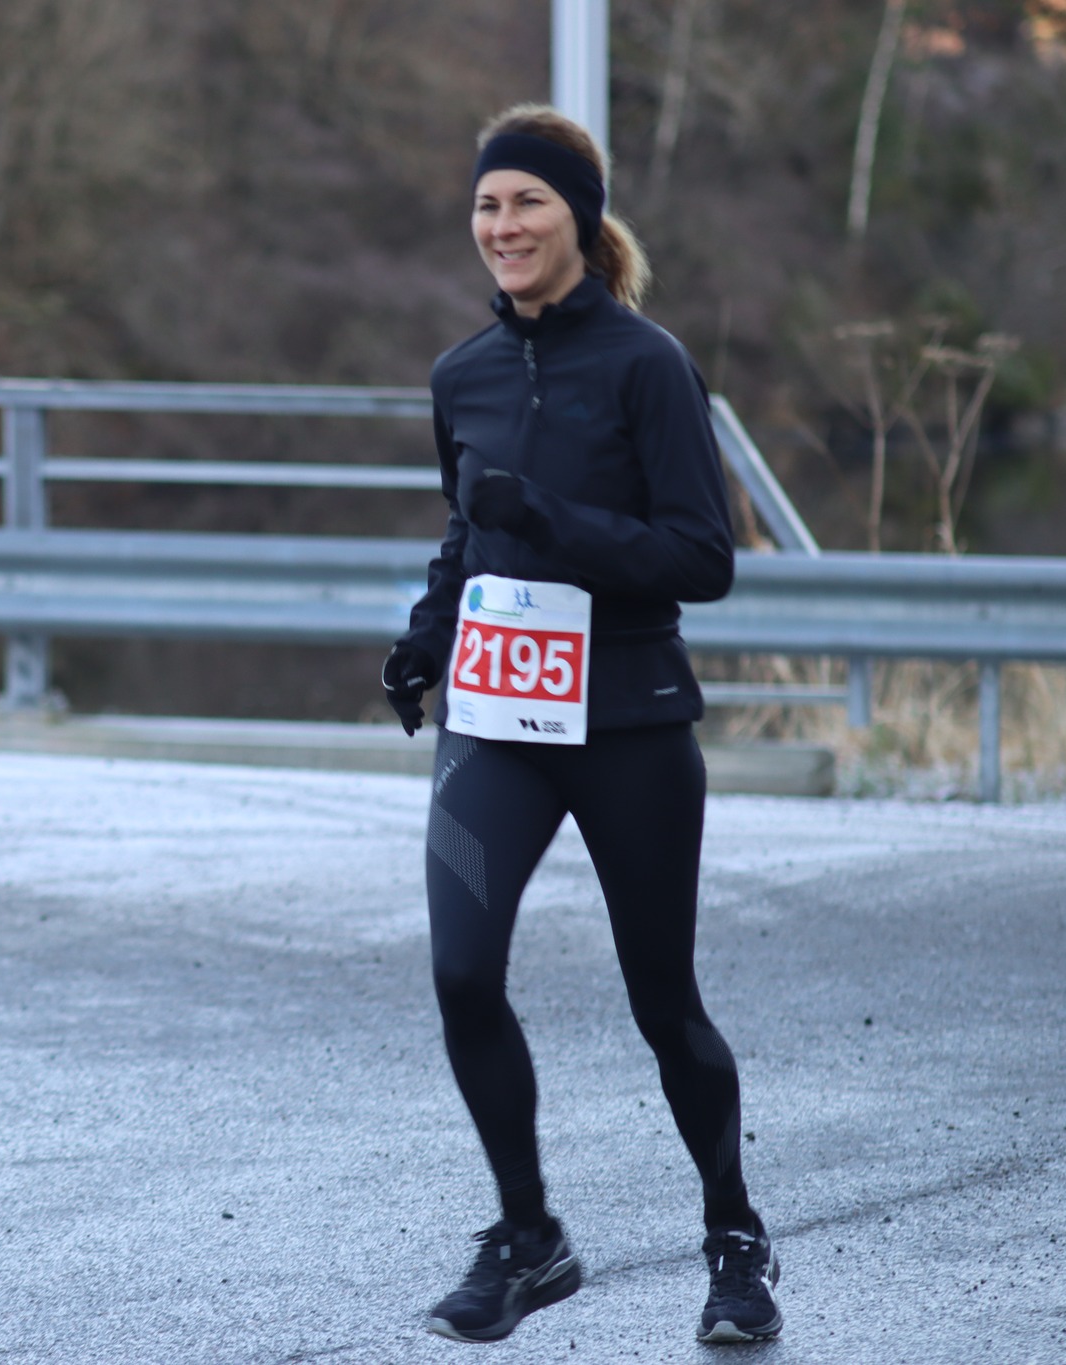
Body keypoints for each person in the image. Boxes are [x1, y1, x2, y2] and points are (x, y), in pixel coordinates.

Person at [380, 104, 781, 1346]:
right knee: (460, 973)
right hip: (495, 720)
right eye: (486, 204)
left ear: (579, 218)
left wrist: (549, 521)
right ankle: (527, 1237)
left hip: (628, 724)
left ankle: (732, 1240)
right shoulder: (459, 375)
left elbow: (701, 559)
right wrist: (425, 635)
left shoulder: (646, 365)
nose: (501, 225)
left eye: (527, 203)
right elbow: (468, 531)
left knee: (662, 1002)